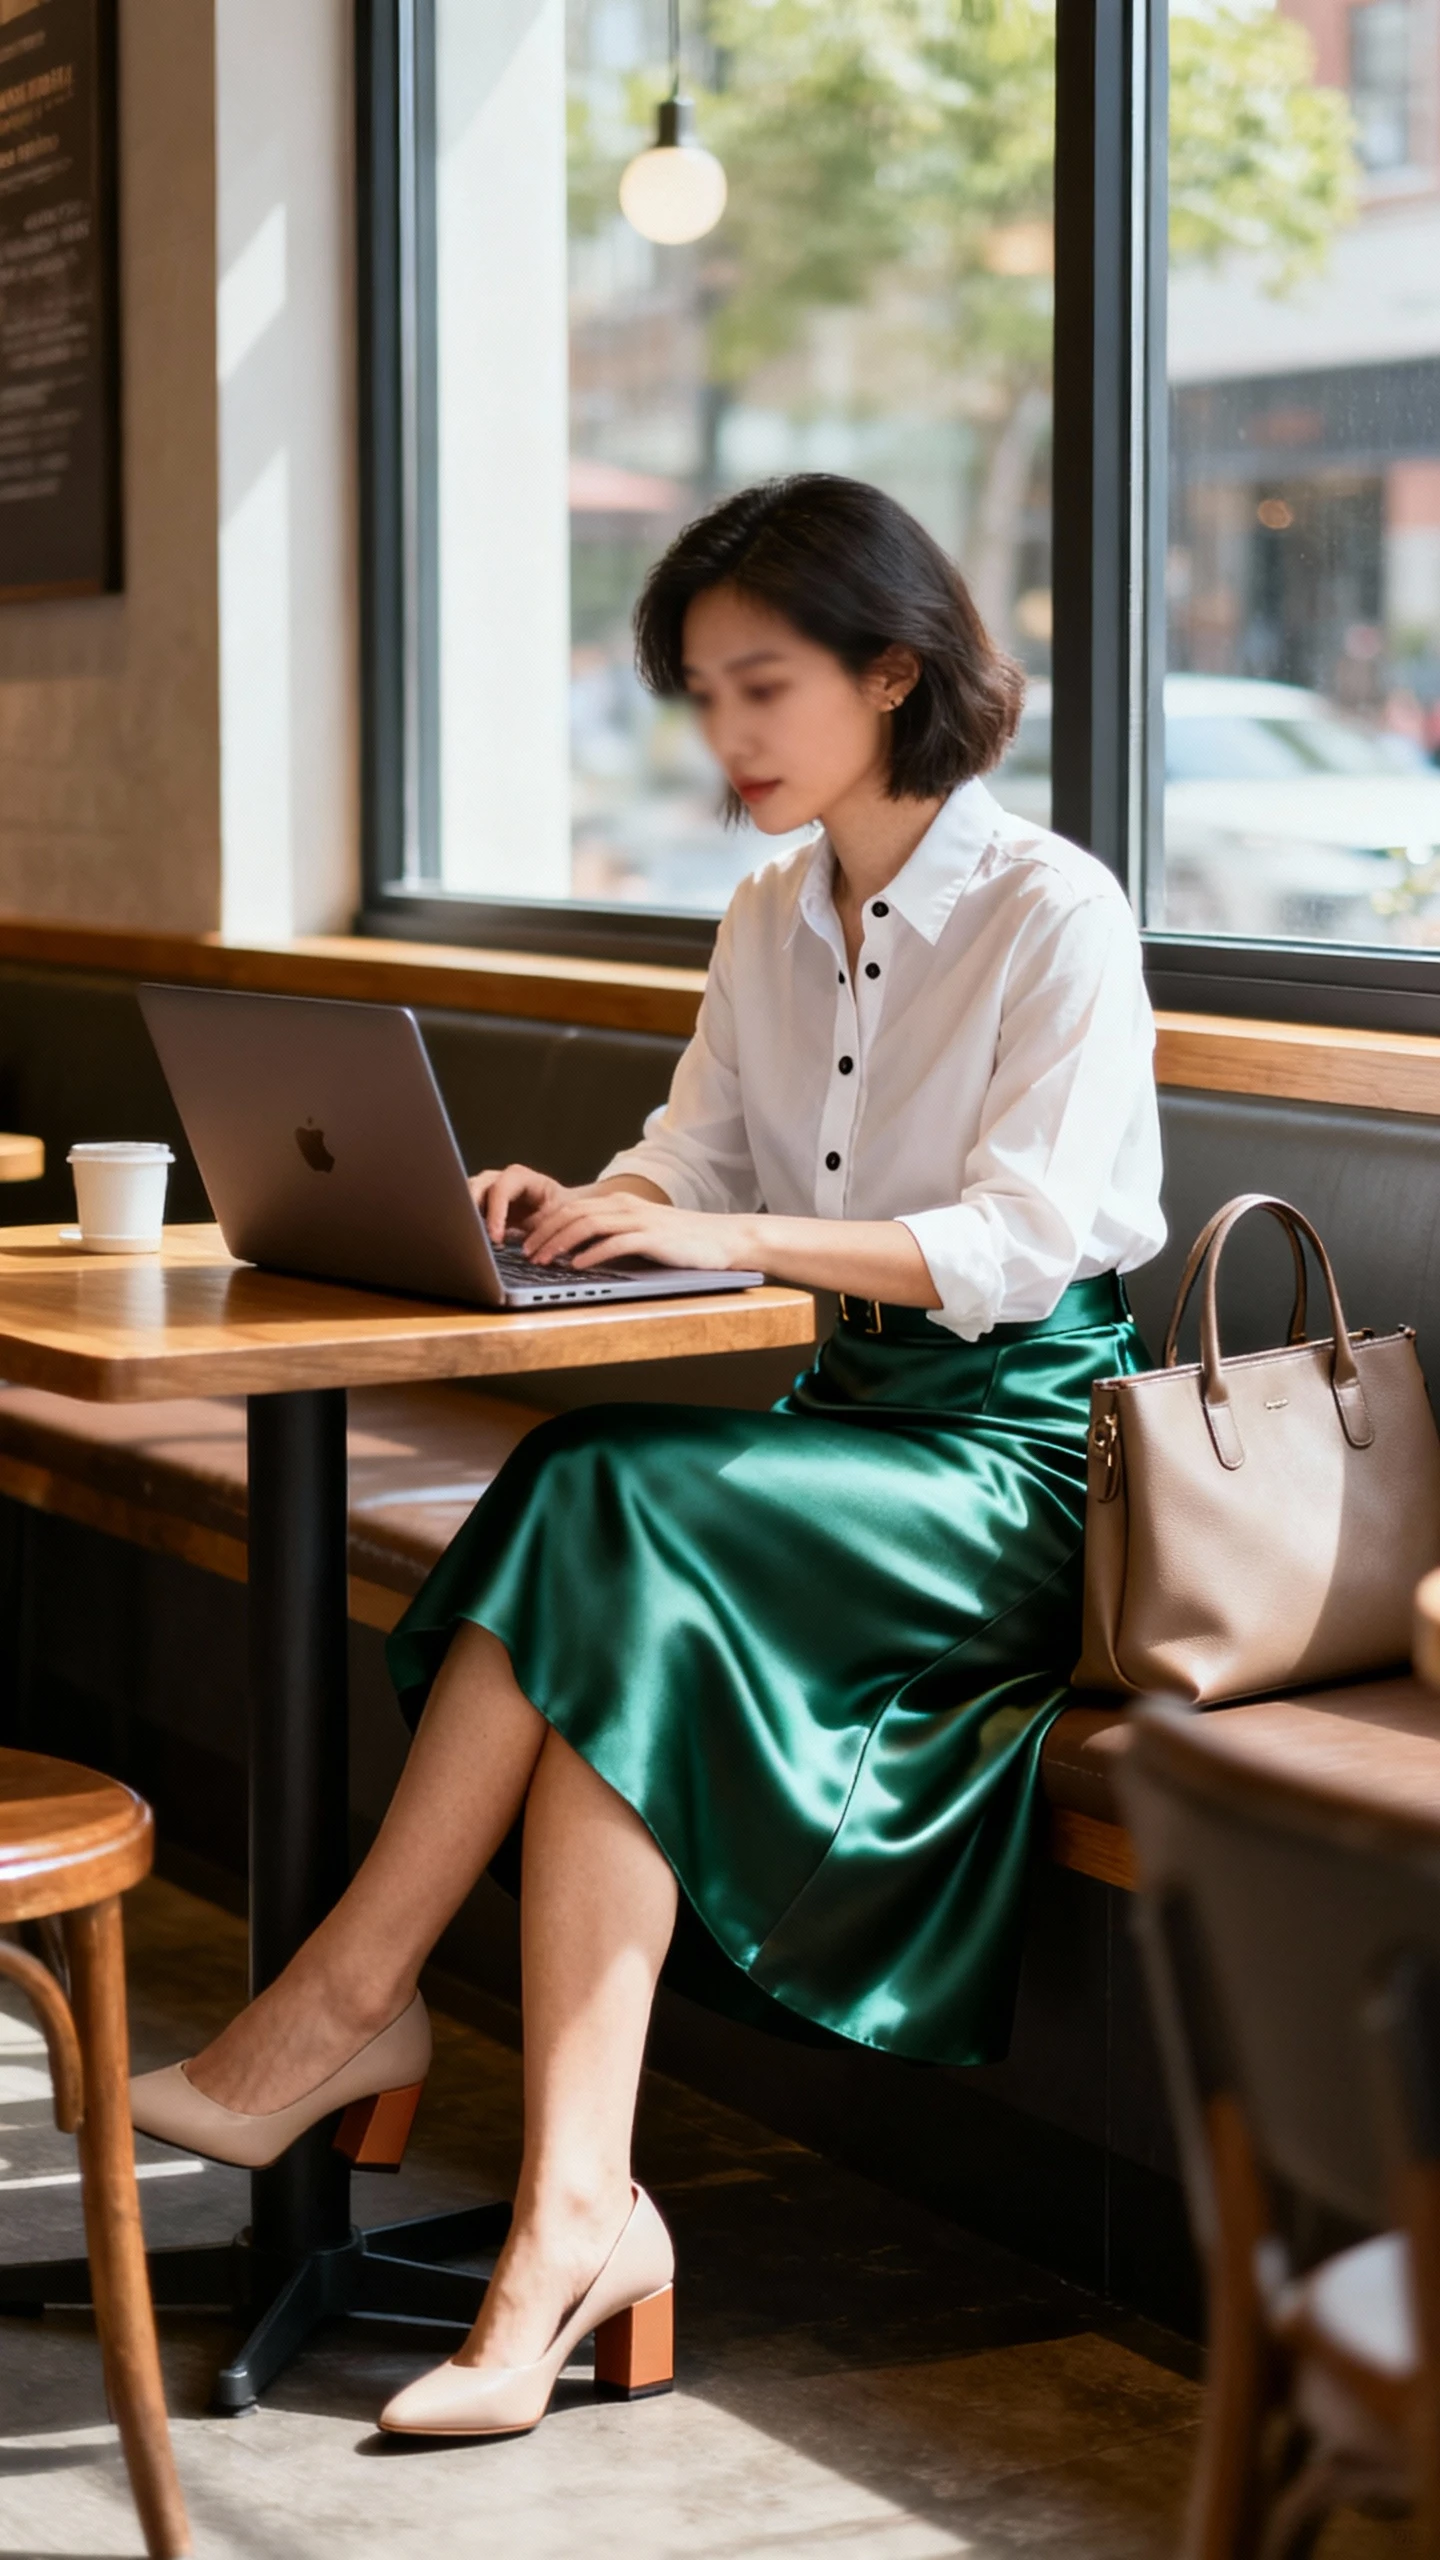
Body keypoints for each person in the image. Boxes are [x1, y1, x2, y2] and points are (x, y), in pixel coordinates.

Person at [131, 473, 1165, 2440]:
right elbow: (696, 1150)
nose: (727, 737)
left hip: (1016, 1464)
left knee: (599, 1495)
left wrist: (724, 1235)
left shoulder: (1055, 910)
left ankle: (350, 2005)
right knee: (603, 1537)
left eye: (761, 686)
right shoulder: (773, 910)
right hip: (851, 1434)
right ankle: (575, 2216)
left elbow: (1023, 1241)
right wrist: (586, 1197)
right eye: (701, 693)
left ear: (895, 669)